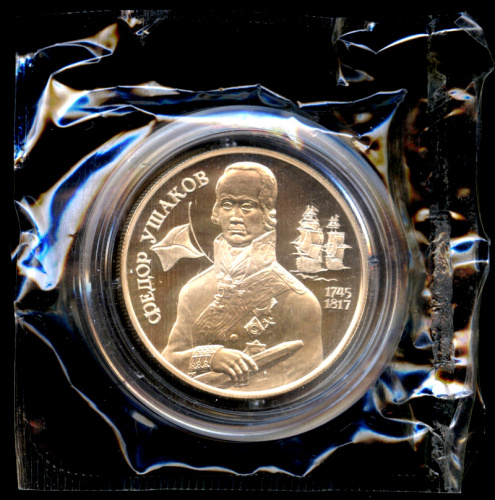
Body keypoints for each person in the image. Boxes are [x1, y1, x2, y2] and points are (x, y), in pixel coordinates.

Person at [162, 161, 323, 391]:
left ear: (267, 214)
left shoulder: (299, 301)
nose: (235, 216)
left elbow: (302, 388)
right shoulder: (193, 291)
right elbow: (168, 363)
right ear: (216, 211)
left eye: (247, 206)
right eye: (227, 204)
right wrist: (210, 357)